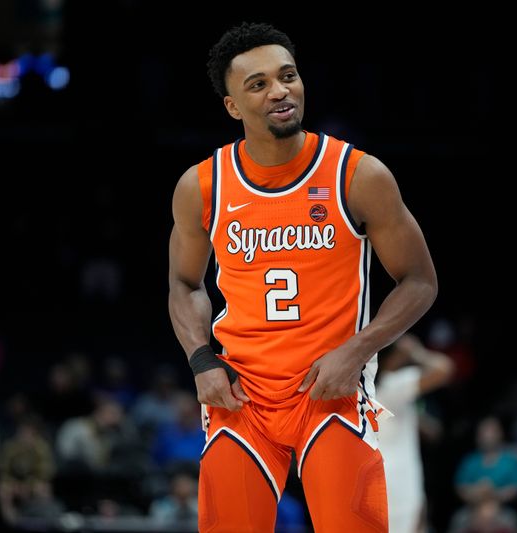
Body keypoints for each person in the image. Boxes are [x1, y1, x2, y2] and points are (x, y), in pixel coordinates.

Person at [168, 22, 438, 532]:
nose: (280, 91)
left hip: (329, 391)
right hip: (240, 395)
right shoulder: (202, 185)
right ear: (232, 106)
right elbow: (183, 284)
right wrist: (201, 359)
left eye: (287, 76)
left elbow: (420, 282)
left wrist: (356, 351)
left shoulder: (358, 175)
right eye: (259, 84)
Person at [376, 332, 454, 533]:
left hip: (380, 473)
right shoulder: (394, 383)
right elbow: (444, 368)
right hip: (399, 474)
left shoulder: (374, 389)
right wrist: (416, 352)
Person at [449, 416, 517, 533]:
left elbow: (516, 488)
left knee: (512, 521)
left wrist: (493, 494)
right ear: (478, 436)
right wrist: (477, 493)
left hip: (502, 509)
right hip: (473, 509)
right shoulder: (470, 461)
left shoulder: (510, 461)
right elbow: (460, 488)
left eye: (492, 431)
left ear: (500, 434)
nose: (488, 436)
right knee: (458, 520)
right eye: (484, 432)